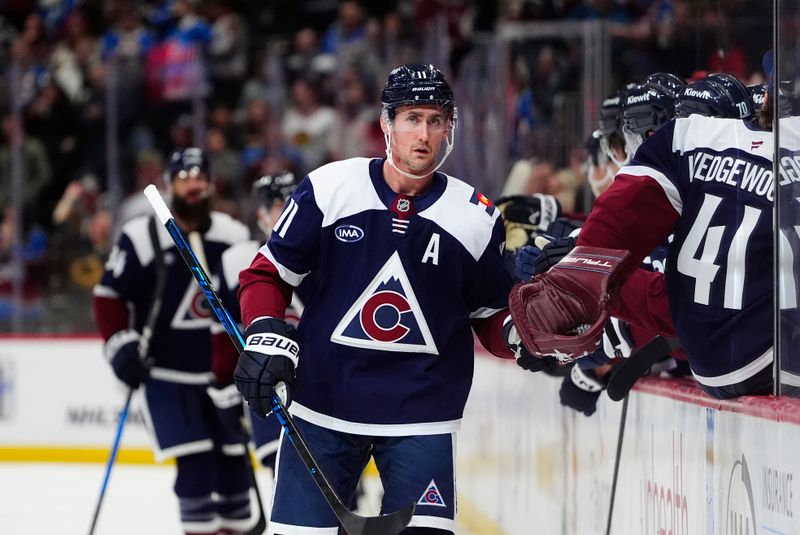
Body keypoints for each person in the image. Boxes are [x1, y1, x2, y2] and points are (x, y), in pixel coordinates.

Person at [232, 64, 529, 534]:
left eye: (436, 120)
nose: (424, 134)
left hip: (422, 418)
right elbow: (267, 273)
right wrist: (265, 329)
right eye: (412, 118)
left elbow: (489, 316)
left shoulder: (475, 217)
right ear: (386, 123)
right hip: (323, 407)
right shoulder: (330, 188)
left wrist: (522, 333)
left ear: (450, 127)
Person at [510, 56, 780, 400]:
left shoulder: (687, 152)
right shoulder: (746, 169)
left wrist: (585, 273)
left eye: (627, 142)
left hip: (742, 369)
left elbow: (680, 304)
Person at [92, 147, 256, 534]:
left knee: (235, 472)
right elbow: (108, 296)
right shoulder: (143, 235)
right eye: (184, 178)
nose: (194, 185)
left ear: (212, 184)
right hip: (168, 376)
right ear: (168, 185)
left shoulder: (232, 234)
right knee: (195, 470)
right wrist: (121, 345)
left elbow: (248, 293)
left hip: (226, 378)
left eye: (201, 177)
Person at [211, 172, 300, 474]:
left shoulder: (330, 253)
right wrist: (225, 386)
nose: (287, 210)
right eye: (279, 204)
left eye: (293, 202)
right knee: (285, 474)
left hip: (322, 384)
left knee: (339, 483)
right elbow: (223, 329)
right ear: (261, 213)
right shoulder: (237, 260)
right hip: (270, 383)